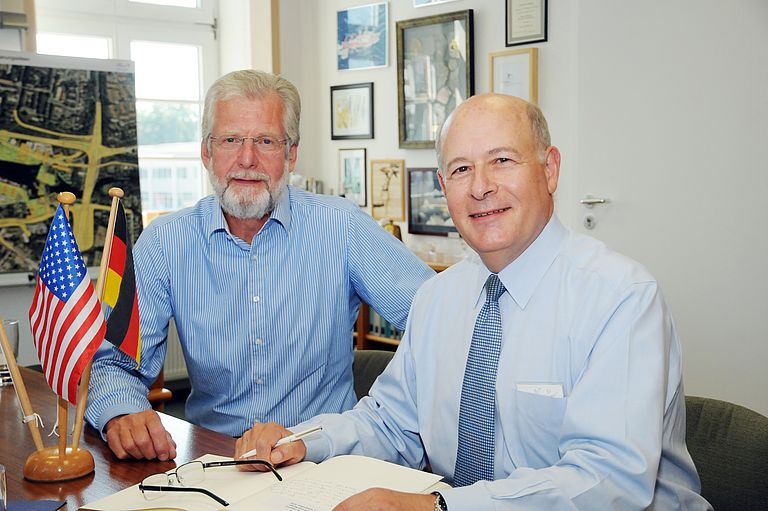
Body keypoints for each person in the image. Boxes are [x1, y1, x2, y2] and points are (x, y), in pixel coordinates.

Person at [234, 94, 712, 510]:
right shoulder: (439, 298)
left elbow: (608, 483)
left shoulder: (620, 299)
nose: (481, 186)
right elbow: (392, 423)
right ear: (444, 189)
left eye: (502, 160)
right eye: (461, 169)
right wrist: (302, 441)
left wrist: (439, 506)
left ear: (550, 170)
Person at [85, 70, 434, 461]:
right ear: (206, 152)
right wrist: (122, 412)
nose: (247, 159)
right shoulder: (165, 242)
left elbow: (438, 320)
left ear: (291, 154)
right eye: (231, 140)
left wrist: (389, 412)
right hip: (214, 460)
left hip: (322, 459)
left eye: (266, 141)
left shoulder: (342, 226)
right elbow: (112, 360)